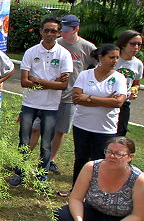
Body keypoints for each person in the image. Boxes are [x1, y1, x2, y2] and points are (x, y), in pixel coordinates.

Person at [8, 17, 73, 188]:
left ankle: (41, 178)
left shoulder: (64, 54)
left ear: (59, 33)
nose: (50, 34)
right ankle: (19, 174)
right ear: (41, 31)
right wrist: (52, 83)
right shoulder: (31, 52)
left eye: (54, 31)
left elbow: (63, 86)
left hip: (51, 107)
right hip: (29, 104)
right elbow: (24, 82)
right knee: (24, 142)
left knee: (46, 145)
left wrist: (36, 80)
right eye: (47, 30)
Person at [29, 14, 97, 175]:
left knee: (60, 130)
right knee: (35, 128)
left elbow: (98, 67)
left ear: (76, 29)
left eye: (66, 30)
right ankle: (22, 158)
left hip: (69, 97)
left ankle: (50, 160)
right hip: (48, 95)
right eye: (62, 30)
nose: (63, 33)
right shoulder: (55, 43)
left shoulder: (87, 47)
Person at [55, 137, 144, 221]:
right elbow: (76, 198)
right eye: (109, 152)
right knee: (60, 215)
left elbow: (137, 216)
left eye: (118, 154)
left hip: (123, 218)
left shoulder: (139, 179)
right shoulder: (91, 168)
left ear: (130, 157)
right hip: (94, 211)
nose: (112, 156)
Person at [67, 44, 127, 188]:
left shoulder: (119, 78)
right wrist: (106, 100)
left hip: (105, 128)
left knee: (100, 161)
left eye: (117, 58)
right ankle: (76, 190)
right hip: (82, 125)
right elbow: (76, 98)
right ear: (101, 57)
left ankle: (95, 192)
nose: (115, 61)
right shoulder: (85, 75)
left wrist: (88, 98)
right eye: (111, 57)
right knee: (81, 159)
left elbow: (118, 102)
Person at [115, 30, 143, 137]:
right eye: (133, 44)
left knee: (120, 135)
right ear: (123, 44)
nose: (136, 47)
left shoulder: (138, 64)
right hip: (107, 100)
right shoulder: (113, 58)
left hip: (124, 103)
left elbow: (136, 84)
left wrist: (133, 90)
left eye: (139, 44)